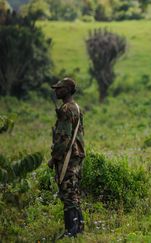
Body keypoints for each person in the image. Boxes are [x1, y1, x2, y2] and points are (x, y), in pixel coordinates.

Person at [48, 77, 85, 237]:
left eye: (59, 88)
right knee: (73, 191)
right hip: (76, 154)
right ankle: (78, 228)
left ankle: (72, 230)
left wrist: (54, 158)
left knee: (68, 192)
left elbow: (63, 137)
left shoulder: (65, 109)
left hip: (68, 156)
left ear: (68, 90)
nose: (56, 91)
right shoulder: (76, 107)